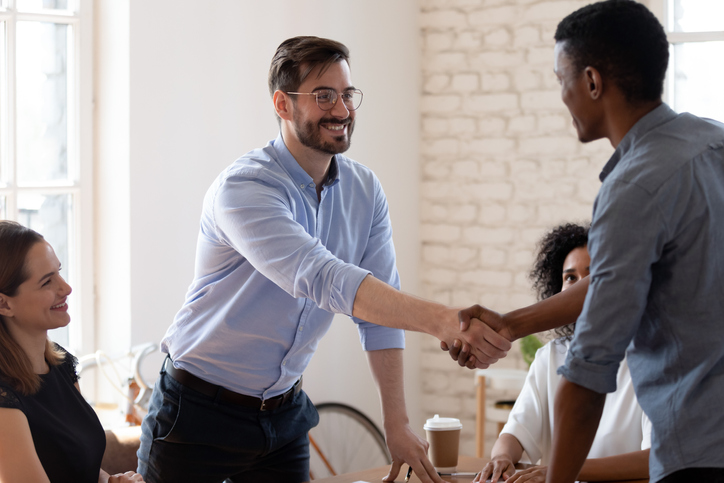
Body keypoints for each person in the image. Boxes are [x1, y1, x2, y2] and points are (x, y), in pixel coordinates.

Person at [136, 35, 510, 483]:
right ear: (282, 104)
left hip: (284, 412)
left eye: (348, 94)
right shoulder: (244, 189)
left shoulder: (364, 190)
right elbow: (323, 278)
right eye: (324, 96)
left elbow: (379, 314)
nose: (342, 110)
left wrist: (397, 423)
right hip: (197, 413)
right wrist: (443, 321)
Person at [447, 1, 724, 482]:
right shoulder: (712, 143)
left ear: (592, 82)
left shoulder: (634, 186)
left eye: (562, 79)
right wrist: (512, 324)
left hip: (698, 455)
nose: (561, 95)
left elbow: (588, 373)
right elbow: (613, 285)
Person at [476, 223, 650, 483]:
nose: (583, 288)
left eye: (594, 277)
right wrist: (502, 457)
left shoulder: (651, 360)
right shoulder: (550, 357)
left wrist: (561, 473)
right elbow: (515, 433)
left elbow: (654, 459)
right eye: (570, 278)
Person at [0, 221, 144, 483]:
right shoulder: (3, 398)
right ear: (3, 303)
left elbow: (77, 463)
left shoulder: (61, 363)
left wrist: (109, 481)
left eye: (59, 272)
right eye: (47, 282)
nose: (65, 288)